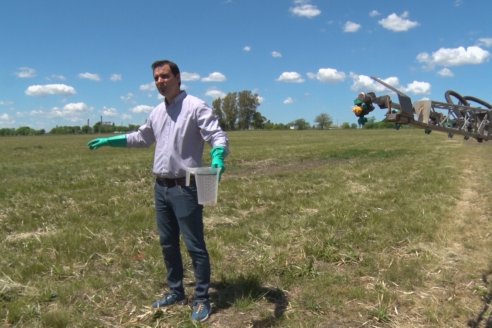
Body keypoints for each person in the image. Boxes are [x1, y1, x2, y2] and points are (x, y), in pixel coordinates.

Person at [87, 59, 229, 322]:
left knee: (195, 245)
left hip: (186, 187)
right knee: (167, 243)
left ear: (177, 77)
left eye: (164, 76)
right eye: (156, 78)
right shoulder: (156, 112)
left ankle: (201, 298)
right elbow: (141, 138)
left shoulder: (195, 107)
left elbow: (216, 136)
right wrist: (110, 140)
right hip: (161, 188)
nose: (160, 82)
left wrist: (218, 157)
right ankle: (176, 291)